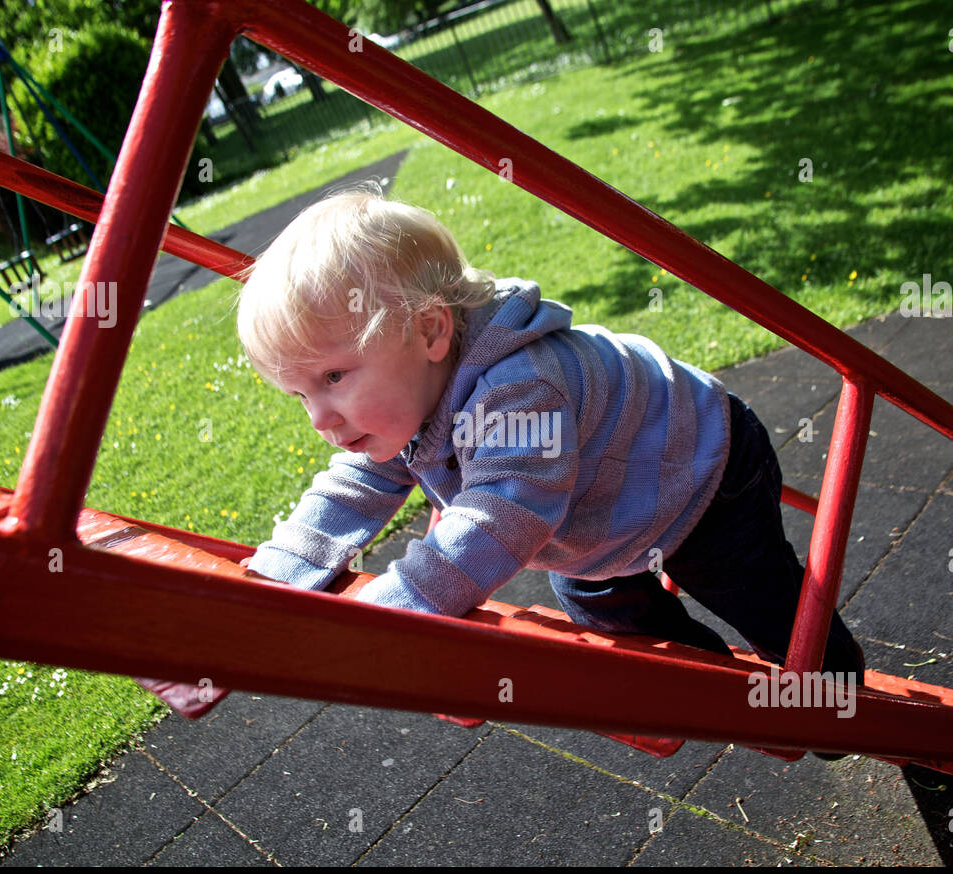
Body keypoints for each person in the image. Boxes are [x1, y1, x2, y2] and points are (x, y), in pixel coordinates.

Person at [235, 188, 865, 684]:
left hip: (699, 471)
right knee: (616, 627)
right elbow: (354, 486)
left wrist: (395, 616)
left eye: (333, 376)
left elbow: (500, 517)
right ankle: (712, 687)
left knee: (765, 603)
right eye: (300, 394)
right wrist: (275, 577)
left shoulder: (522, 385)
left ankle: (845, 702)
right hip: (595, 510)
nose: (319, 417)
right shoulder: (402, 397)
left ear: (430, 331)